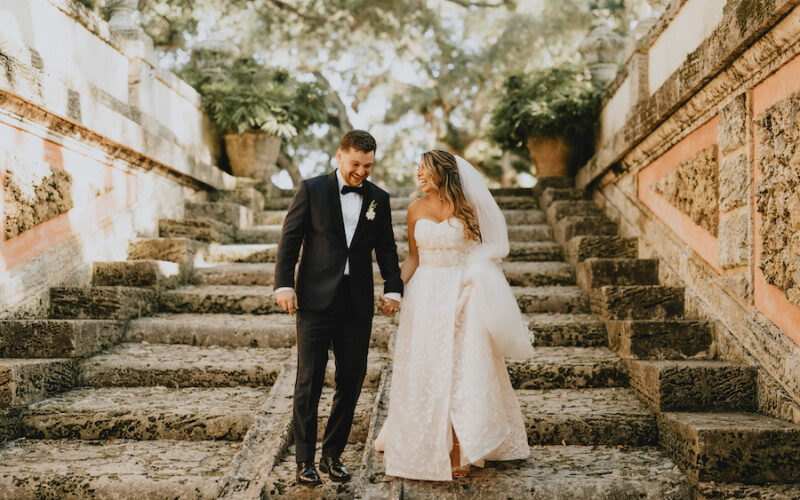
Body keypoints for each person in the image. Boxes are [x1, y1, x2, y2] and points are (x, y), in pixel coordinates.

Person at [374, 150, 534, 481]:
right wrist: (394, 292)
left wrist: (479, 283)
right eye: (417, 170)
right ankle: (431, 443)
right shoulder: (414, 209)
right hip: (425, 298)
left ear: (443, 173)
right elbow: (413, 259)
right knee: (428, 368)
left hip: (464, 295)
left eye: (425, 170)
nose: (419, 176)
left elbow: (490, 252)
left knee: (464, 368)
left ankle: (462, 448)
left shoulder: (469, 208)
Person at [274, 130, 403, 486]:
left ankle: (333, 455)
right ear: (339, 156)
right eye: (356, 164)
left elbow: (387, 249)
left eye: (368, 166)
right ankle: (304, 461)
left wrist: (394, 288)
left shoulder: (379, 198)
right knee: (309, 380)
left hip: (357, 302)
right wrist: (284, 284)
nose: (361, 172)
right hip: (314, 299)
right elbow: (290, 240)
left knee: (352, 380)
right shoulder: (311, 189)